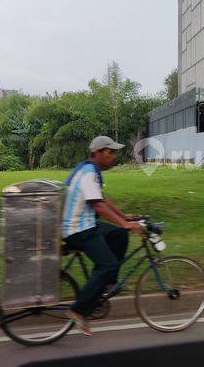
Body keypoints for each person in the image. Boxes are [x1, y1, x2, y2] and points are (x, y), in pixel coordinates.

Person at [62, 136, 142, 335]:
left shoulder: (90, 170)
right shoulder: (89, 172)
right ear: (97, 153)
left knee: (119, 234)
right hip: (78, 229)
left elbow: (101, 199)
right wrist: (125, 223)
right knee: (108, 264)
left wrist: (124, 218)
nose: (113, 156)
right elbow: (96, 204)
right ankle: (77, 310)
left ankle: (107, 283)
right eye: (110, 152)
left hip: (87, 224)